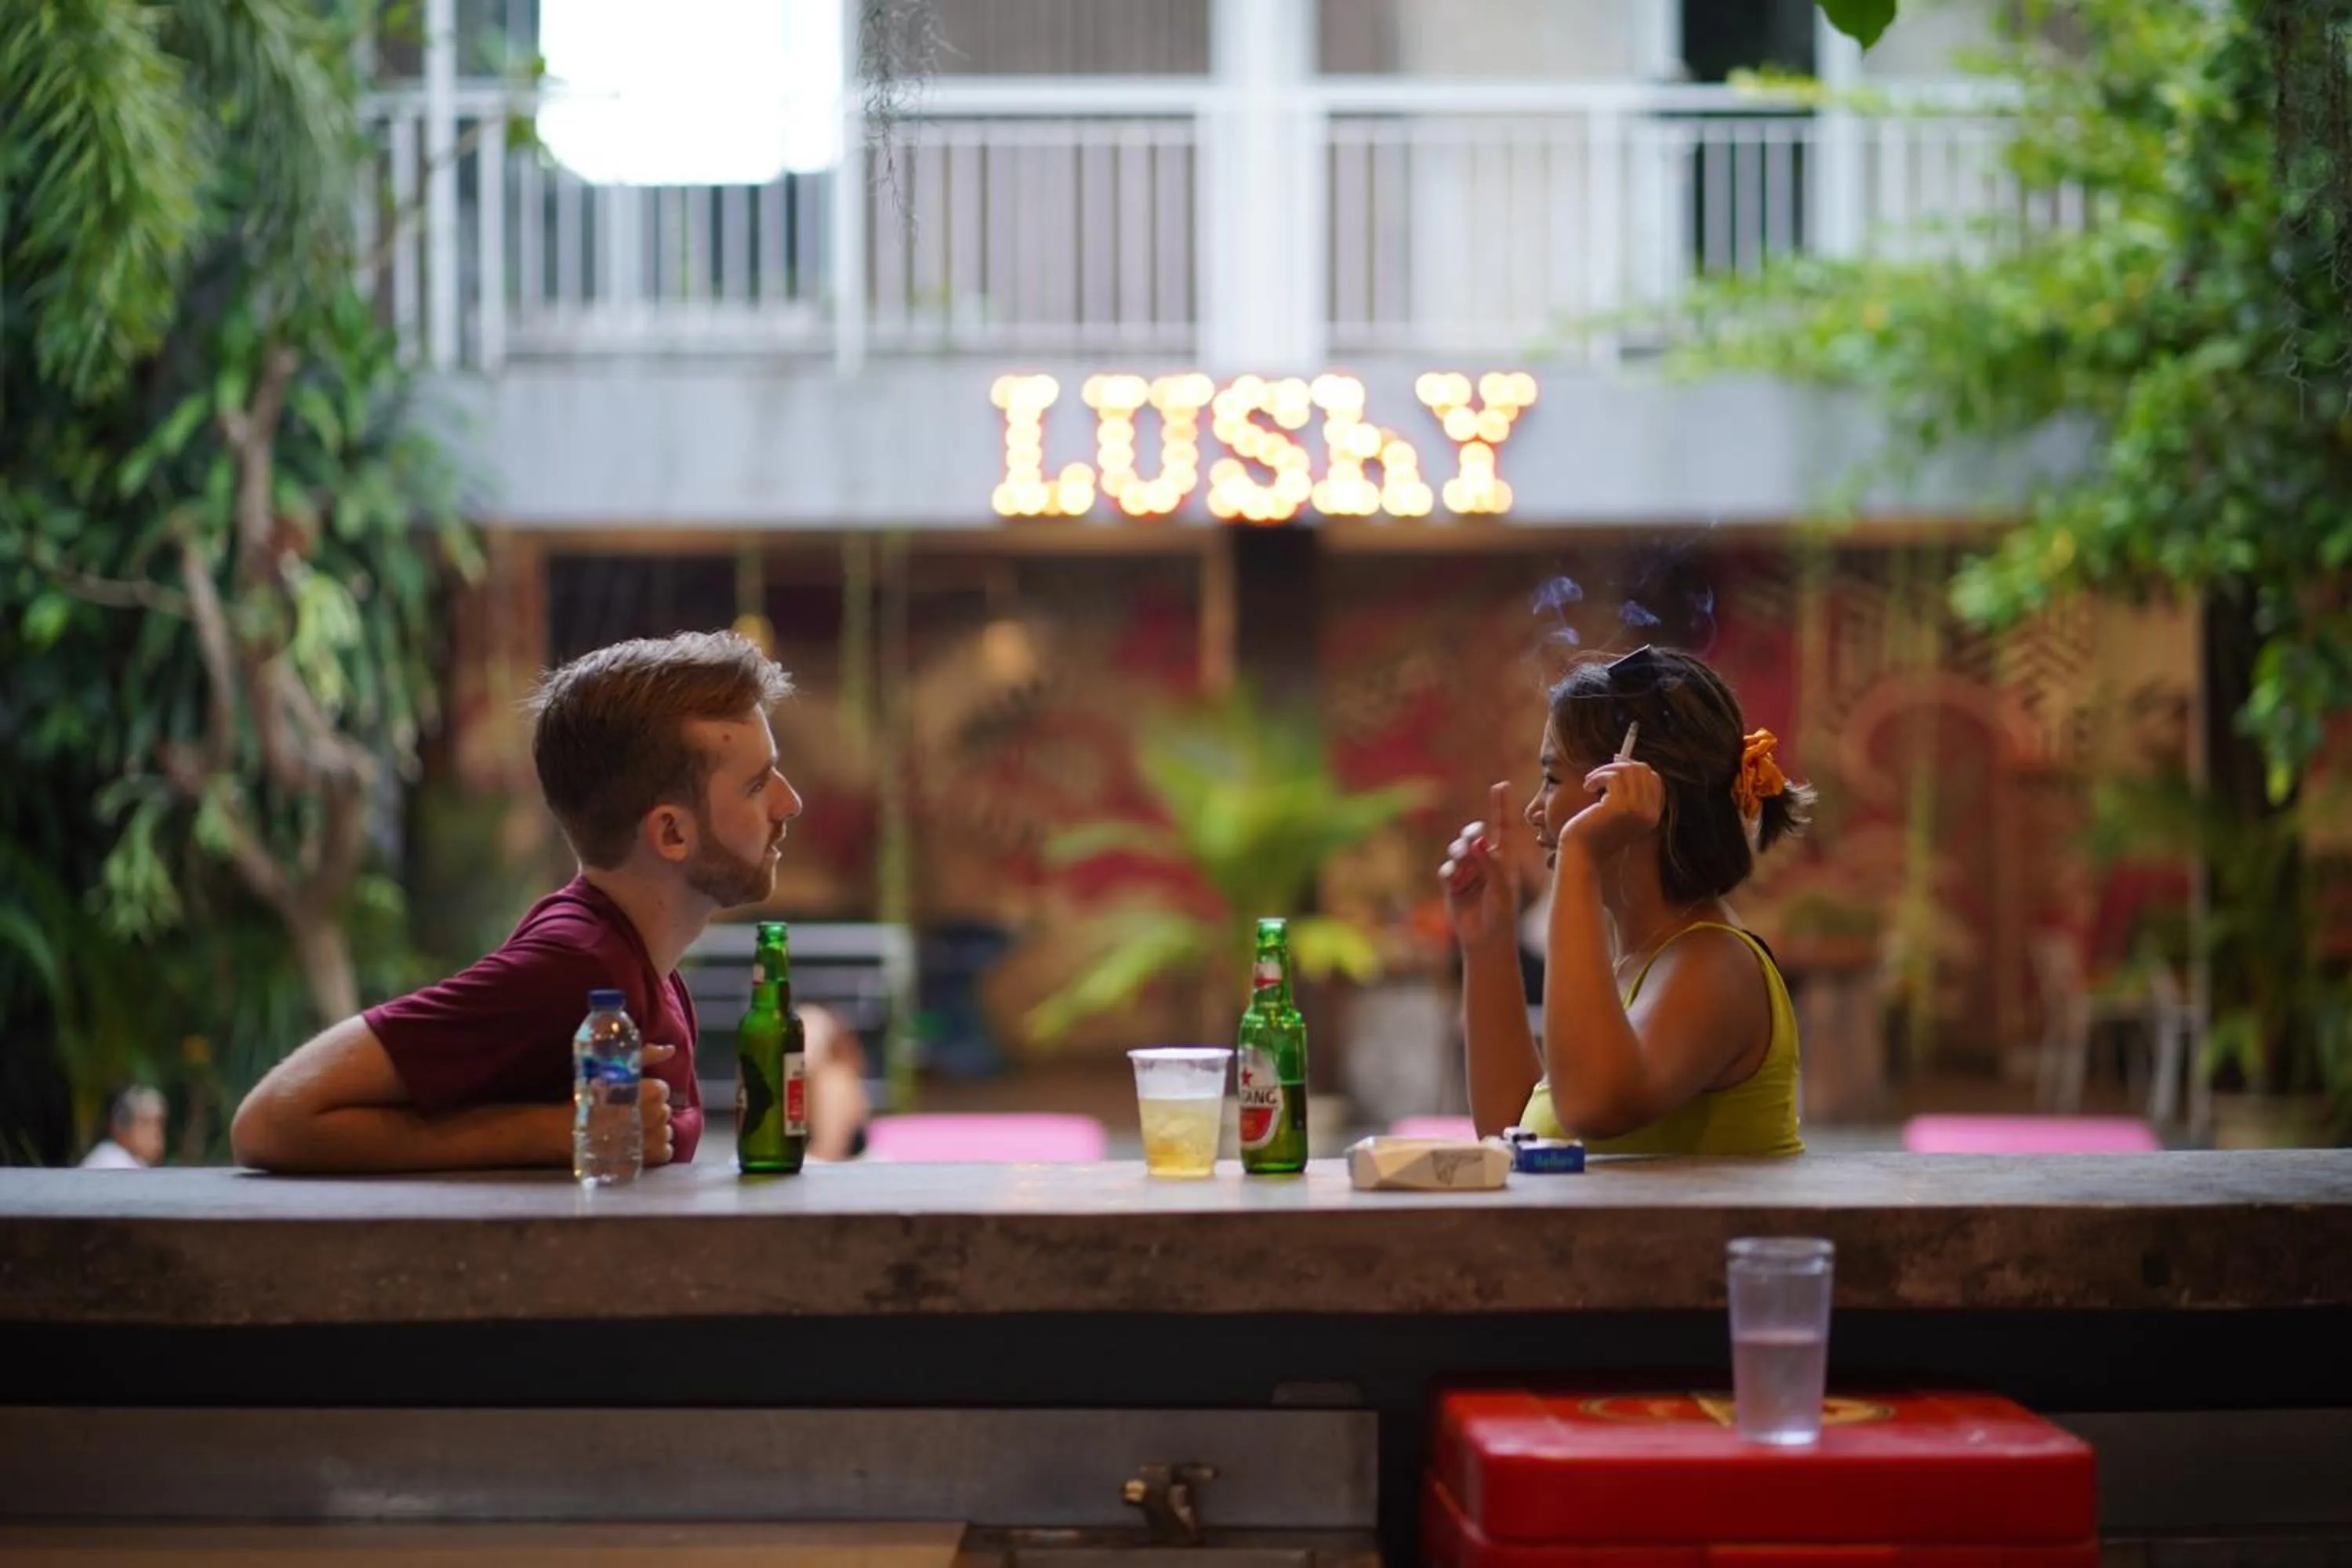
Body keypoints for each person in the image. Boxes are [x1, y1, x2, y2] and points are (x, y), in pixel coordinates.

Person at [232, 630, 803, 1174]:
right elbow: (272, 1118)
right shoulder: (574, 966)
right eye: (757, 785)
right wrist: (553, 1133)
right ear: (672, 834)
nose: (790, 803)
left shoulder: (639, 964)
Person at [1440, 645, 1815, 1156]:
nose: (1534, 811)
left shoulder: (1715, 964)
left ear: (1620, 790)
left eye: (1551, 780)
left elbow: (1594, 1107)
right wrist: (1488, 942)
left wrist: (1580, 854)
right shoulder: (1636, 966)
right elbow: (1516, 1133)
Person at [81, 1086, 167, 1169]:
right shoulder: (112, 1163)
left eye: (159, 1123)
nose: (156, 1132)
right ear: (121, 1128)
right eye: (146, 1123)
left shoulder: (134, 1163)